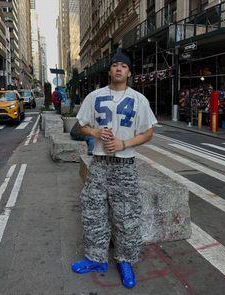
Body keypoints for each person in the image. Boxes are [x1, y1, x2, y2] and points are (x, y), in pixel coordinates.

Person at [71, 52, 157, 288]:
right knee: (93, 210)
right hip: (99, 164)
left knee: (127, 216)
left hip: (125, 165)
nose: (119, 69)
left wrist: (123, 144)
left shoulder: (139, 99)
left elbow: (148, 132)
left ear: (129, 72)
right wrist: (95, 133)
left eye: (124, 66)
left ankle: (125, 260)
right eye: (114, 65)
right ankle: (96, 258)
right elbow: (81, 126)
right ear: (109, 71)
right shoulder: (94, 96)